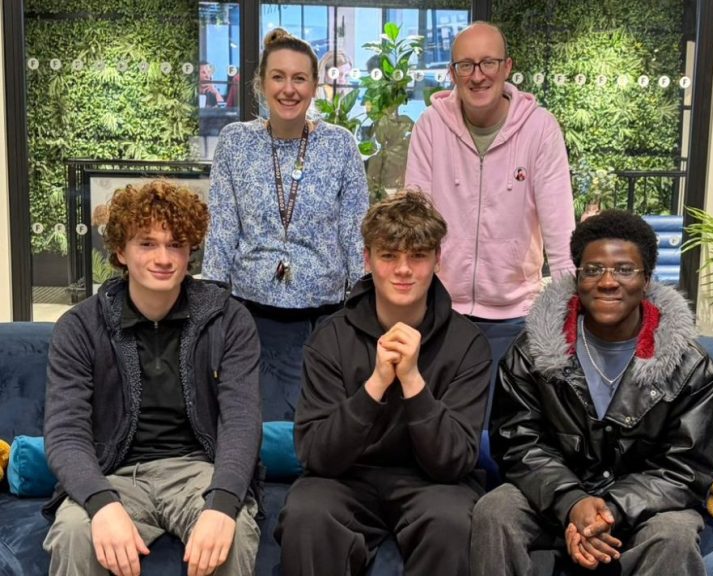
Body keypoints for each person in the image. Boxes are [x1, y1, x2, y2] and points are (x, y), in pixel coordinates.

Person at [471, 210, 713, 576]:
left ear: (647, 280)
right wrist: (572, 501)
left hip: (644, 508)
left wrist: (610, 510)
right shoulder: (532, 352)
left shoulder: (691, 367)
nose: (607, 281)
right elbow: (519, 444)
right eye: (593, 270)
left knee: (675, 534)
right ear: (577, 278)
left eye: (624, 269)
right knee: (495, 511)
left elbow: (684, 470)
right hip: (552, 496)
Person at [43, 181, 262, 576]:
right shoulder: (79, 326)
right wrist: (101, 502)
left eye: (175, 244)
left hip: (199, 471)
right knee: (75, 531)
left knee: (236, 533)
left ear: (190, 251)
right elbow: (64, 433)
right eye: (146, 243)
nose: (163, 258)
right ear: (120, 252)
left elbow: (242, 423)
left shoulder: (229, 320)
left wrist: (225, 502)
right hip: (114, 472)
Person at [276, 190, 492, 575]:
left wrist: (412, 381)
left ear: (437, 260)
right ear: (368, 260)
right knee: (306, 511)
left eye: (418, 256)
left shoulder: (467, 343)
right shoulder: (331, 337)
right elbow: (316, 456)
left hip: (431, 484)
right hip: (346, 479)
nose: (403, 269)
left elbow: (454, 462)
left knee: (453, 521)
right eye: (389, 255)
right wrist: (376, 383)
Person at [202, 28, 368, 422]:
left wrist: (364, 308)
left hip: (324, 317)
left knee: (317, 426)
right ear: (261, 83)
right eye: (278, 77)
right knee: (252, 425)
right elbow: (222, 228)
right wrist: (208, 311)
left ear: (314, 86)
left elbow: (355, 230)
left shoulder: (340, 144)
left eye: (299, 78)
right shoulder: (234, 142)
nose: (288, 89)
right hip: (248, 314)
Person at [405, 21, 575, 368]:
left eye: (488, 63)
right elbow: (415, 222)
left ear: (507, 67)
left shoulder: (540, 129)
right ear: (452, 73)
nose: (477, 75)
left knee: (507, 420)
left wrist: (568, 317)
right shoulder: (430, 126)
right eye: (465, 65)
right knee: (441, 420)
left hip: (517, 315)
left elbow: (560, 233)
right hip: (442, 312)